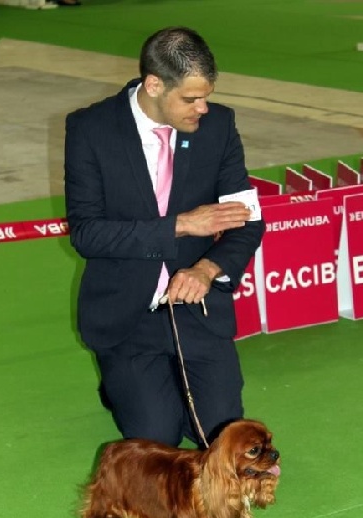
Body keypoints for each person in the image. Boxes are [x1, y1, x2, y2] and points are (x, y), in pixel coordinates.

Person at [64, 26, 265, 447]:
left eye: (207, 95)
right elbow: (87, 234)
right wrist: (181, 225)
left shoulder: (219, 125)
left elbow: (246, 220)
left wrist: (207, 269)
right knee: (157, 441)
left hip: (197, 312)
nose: (203, 108)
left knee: (221, 439)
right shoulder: (90, 129)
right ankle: (121, 383)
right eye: (190, 99)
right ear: (154, 85)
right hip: (128, 317)